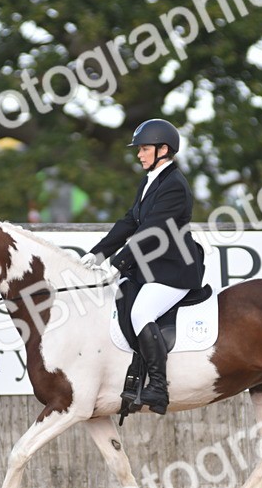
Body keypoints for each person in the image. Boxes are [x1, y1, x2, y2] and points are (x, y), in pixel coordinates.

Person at [81, 119, 205, 414]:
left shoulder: (175, 186)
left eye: (144, 149)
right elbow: (129, 221)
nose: (139, 154)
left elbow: (151, 231)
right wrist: (97, 254)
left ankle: (159, 387)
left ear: (164, 149)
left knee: (141, 311)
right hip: (151, 268)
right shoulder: (151, 180)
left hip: (174, 270)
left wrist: (119, 262)